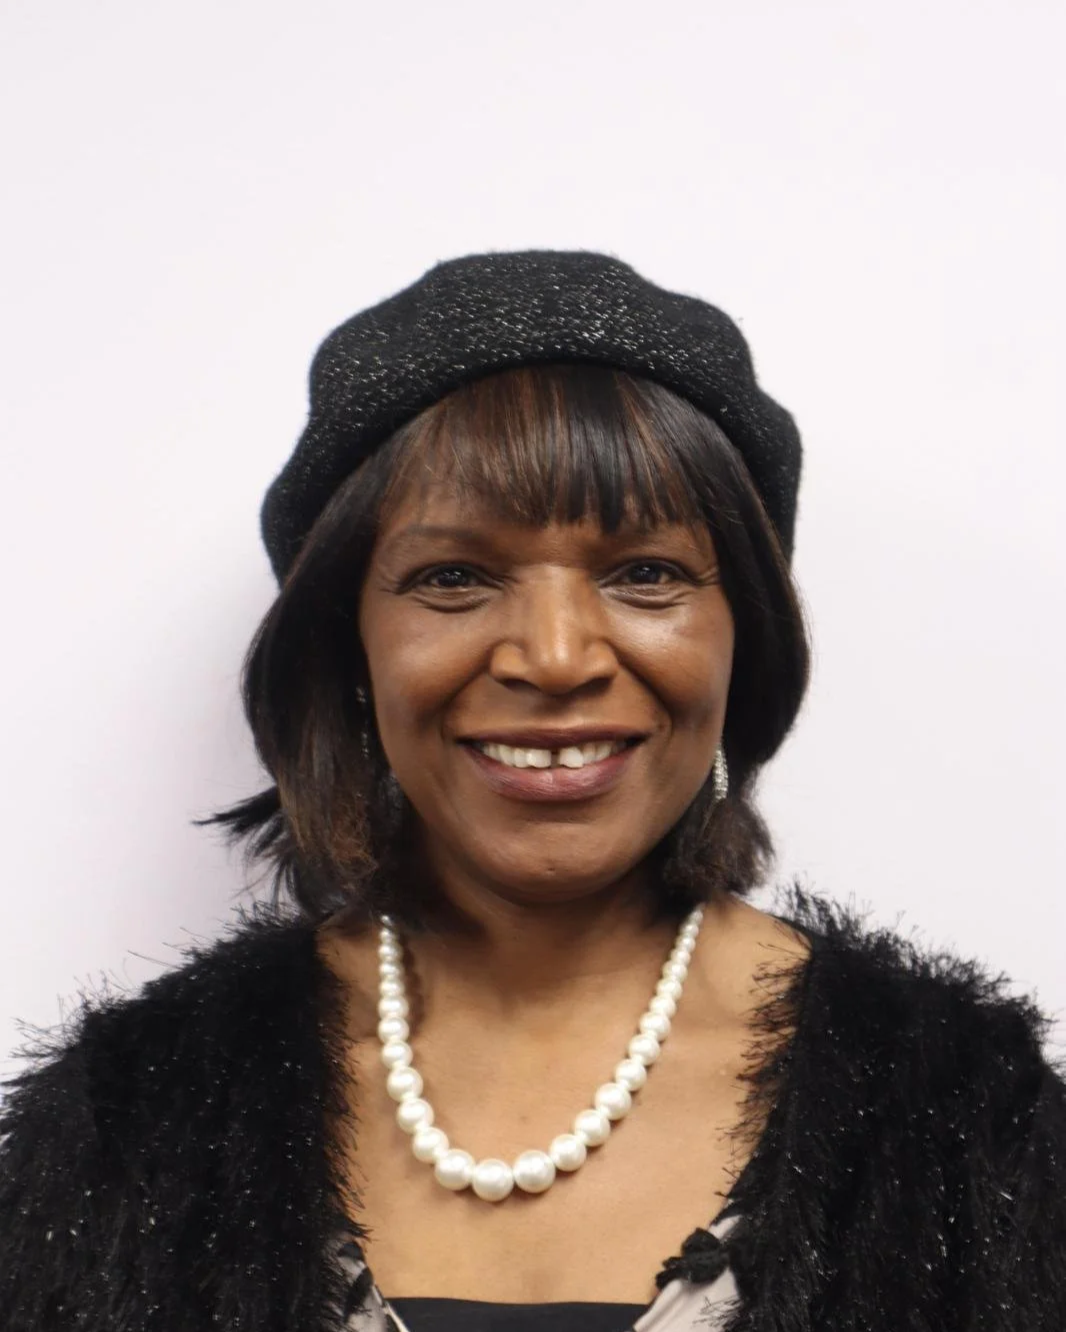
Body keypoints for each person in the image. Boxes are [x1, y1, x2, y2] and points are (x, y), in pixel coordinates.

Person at [2, 251, 1063, 1332]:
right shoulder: (131, 1114)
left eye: (645, 572)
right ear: (348, 647)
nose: (555, 658)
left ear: (742, 635)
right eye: (453, 578)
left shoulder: (965, 1117)